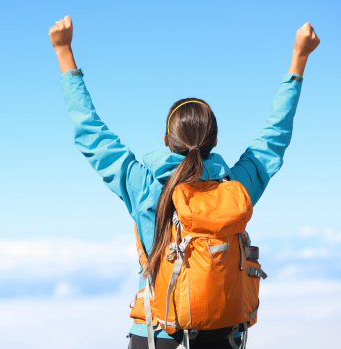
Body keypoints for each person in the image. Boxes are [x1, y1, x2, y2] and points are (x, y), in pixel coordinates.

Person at [49, 15, 320, 349]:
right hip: (224, 336)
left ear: (166, 141)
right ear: (215, 142)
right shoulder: (236, 189)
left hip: (160, 335)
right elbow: (274, 137)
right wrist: (299, 59)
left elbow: (91, 133)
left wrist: (64, 52)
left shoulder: (146, 186)